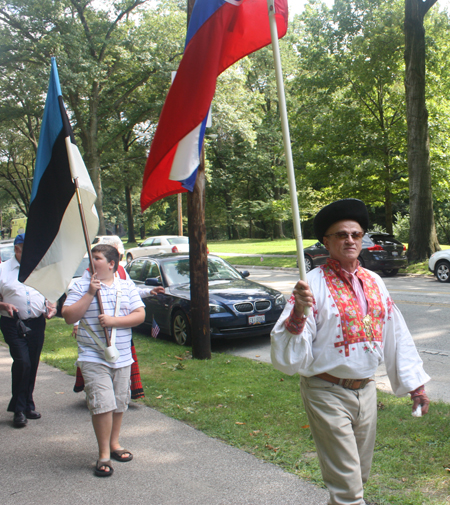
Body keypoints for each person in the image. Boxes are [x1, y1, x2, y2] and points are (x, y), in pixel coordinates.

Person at [271, 199, 430, 505]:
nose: (350, 240)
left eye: (356, 235)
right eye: (341, 235)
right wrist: (299, 312)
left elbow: (396, 334)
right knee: (348, 488)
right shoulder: (311, 286)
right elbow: (287, 356)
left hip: (366, 391)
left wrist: (416, 386)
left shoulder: (375, 283)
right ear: (326, 242)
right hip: (326, 390)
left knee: (359, 476)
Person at [62, 244, 145, 477]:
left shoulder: (126, 286)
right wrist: (90, 293)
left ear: (111, 264)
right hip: (92, 356)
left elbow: (140, 315)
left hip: (122, 356)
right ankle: (103, 455)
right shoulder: (80, 285)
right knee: (102, 403)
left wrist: (113, 321)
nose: (92, 261)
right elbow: (69, 316)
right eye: (91, 257)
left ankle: (115, 444)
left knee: (119, 401)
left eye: (97, 258)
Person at [0, 233, 57, 428]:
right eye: (28, 249)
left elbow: (51, 292)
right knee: (22, 362)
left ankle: (27, 404)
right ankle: (18, 409)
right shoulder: (3, 270)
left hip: (36, 322)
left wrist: (52, 305)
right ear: (17, 249)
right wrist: (3, 306)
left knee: (32, 363)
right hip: (12, 323)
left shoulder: (39, 267)